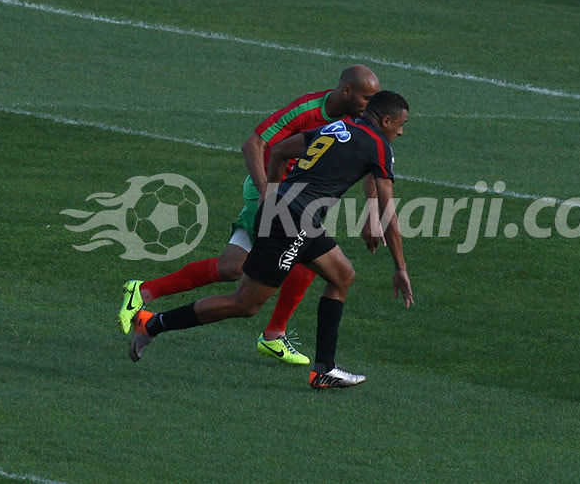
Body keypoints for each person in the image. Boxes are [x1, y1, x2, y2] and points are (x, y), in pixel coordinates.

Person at [127, 90, 413, 390]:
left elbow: (278, 152)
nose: (402, 132)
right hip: (293, 221)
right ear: (386, 120)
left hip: (294, 215)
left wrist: (273, 195)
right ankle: (152, 323)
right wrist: (400, 268)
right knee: (245, 304)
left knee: (342, 275)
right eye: (401, 124)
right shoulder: (379, 146)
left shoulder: (336, 127)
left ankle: (324, 370)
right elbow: (388, 212)